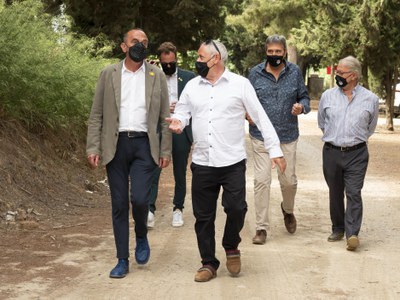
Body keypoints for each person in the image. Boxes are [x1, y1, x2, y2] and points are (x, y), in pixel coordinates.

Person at [167, 39, 286, 282]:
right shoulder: (192, 86)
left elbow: (260, 117)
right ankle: (208, 263)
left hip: (232, 161)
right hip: (202, 162)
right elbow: (182, 112)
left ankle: (231, 245)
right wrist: (179, 121)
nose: (197, 61)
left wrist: (275, 149)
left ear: (215, 59)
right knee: (204, 216)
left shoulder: (240, 85)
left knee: (236, 208)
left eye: (201, 57)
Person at [86, 28, 172, 278]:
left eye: (145, 42)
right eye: (135, 41)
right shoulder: (108, 74)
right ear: (124, 46)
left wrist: (165, 149)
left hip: (145, 146)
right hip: (116, 145)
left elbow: (165, 118)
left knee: (140, 200)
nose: (140, 45)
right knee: (119, 204)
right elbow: (96, 115)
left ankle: (142, 235)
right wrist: (93, 147)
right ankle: (122, 259)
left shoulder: (156, 75)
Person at [246, 34, 310, 245]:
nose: (274, 55)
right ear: (266, 52)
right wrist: (247, 115)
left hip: (287, 136)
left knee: (288, 182)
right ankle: (261, 227)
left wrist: (301, 107)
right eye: (270, 52)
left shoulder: (295, 73)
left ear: (284, 52)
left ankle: (288, 210)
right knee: (262, 181)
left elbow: (304, 97)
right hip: (261, 138)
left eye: (278, 52)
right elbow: (244, 101)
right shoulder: (254, 74)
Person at [318, 55, 379, 251]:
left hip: (357, 154)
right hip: (332, 152)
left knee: (353, 192)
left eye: (341, 73)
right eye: (337, 72)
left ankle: (352, 234)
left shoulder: (371, 99)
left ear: (353, 75)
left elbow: (371, 127)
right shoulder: (328, 96)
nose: (338, 76)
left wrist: (354, 139)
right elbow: (322, 122)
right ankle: (338, 227)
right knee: (335, 192)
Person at [148, 42, 196, 228]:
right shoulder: (152, 75)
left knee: (179, 172)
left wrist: (182, 109)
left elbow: (196, 104)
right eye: (165, 63)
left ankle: (178, 209)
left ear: (176, 59)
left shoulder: (189, 78)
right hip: (160, 128)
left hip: (180, 129)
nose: (168, 66)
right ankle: (149, 210)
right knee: (154, 169)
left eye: (172, 62)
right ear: (160, 61)